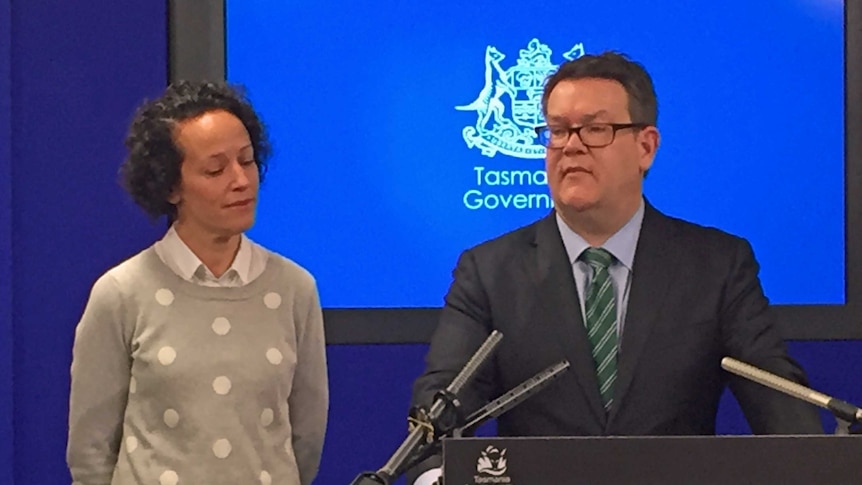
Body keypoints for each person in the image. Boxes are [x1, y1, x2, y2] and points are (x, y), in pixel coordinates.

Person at [408, 52, 823, 484]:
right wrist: (434, 475)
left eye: (595, 129)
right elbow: (440, 409)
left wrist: (817, 468)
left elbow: (781, 407)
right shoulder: (491, 271)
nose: (570, 145)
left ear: (646, 147)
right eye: (557, 130)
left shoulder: (716, 265)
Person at [67, 81, 328, 485]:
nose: (241, 180)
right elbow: (90, 450)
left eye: (247, 160)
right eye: (215, 169)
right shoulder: (122, 293)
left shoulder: (294, 288)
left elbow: (305, 437)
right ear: (171, 186)